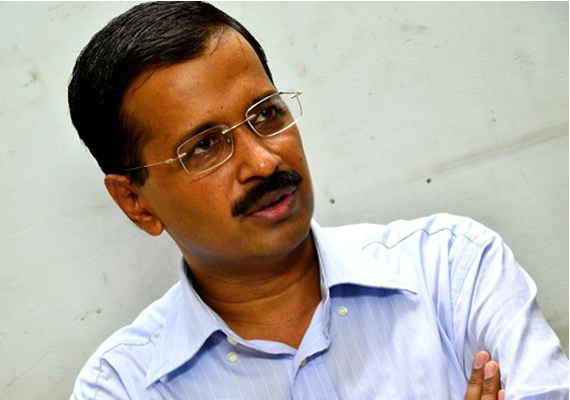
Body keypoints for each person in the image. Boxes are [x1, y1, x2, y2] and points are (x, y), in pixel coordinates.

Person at [68, 2, 568, 399]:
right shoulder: (123, 386)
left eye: (266, 114)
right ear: (136, 202)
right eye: (204, 146)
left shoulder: (453, 268)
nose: (264, 161)